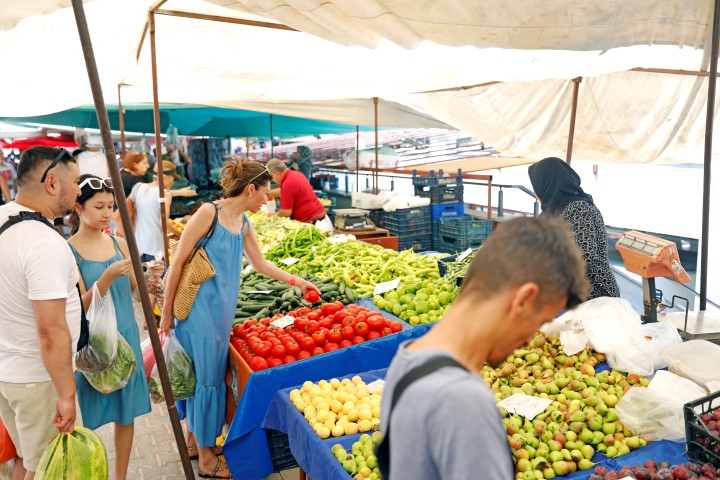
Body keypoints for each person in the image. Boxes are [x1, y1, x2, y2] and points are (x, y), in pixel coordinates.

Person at [378, 216, 589, 480]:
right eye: (539, 322)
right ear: (524, 299)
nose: (528, 341)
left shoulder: (409, 358)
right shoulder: (462, 401)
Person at [160, 157, 318, 479]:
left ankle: (194, 441)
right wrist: (165, 314)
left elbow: (260, 264)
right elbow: (177, 263)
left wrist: (297, 281)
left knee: (202, 379)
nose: (266, 200)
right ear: (250, 189)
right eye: (264, 193)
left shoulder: (244, 223)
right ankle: (206, 458)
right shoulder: (209, 214)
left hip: (222, 314)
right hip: (198, 313)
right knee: (205, 383)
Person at [68, 174, 159, 480]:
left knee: (126, 413)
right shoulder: (69, 251)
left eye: (110, 206)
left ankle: (119, 476)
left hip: (127, 338)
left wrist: (151, 278)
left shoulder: (120, 243)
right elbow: (76, 306)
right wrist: (104, 280)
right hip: (95, 345)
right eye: (99, 206)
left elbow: (135, 292)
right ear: (78, 208)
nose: (107, 213)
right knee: (92, 417)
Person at [0, 146, 82, 479]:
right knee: (49, 471)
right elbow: (50, 330)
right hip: (37, 379)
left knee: (28, 460)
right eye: (75, 182)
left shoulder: (3, 216)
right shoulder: (44, 243)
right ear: (51, 184)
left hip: (10, 371)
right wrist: (66, 393)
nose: (79, 191)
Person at [528, 157, 620, 300]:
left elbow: (584, 257)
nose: (535, 192)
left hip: (594, 296)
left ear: (547, 183)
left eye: (536, 185)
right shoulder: (551, 212)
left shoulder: (579, 208)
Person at [130, 160, 184, 263]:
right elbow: (163, 223)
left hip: (139, 248)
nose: (173, 182)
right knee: (159, 279)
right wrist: (182, 235)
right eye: (172, 178)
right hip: (156, 251)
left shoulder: (138, 187)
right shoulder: (165, 194)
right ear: (164, 177)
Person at [265, 158, 331, 230]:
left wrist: (273, 215)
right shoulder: (296, 174)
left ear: (276, 174)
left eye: (272, 179)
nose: (273, 181)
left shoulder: (287, 183)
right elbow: (286, 191)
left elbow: (286, 212)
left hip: (313, 225)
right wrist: (267, 193)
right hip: (322, 219)